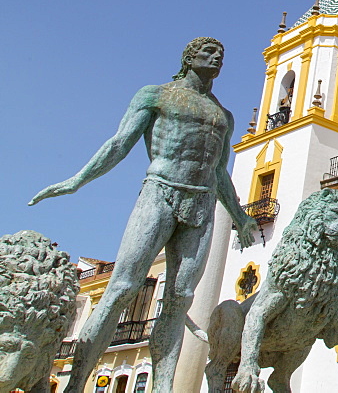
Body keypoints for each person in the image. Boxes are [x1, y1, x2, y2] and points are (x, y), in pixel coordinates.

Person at [30, 37, 258, 393]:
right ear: (189, 57)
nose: (217, 59)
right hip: (160, 191)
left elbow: (219, 171)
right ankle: (75, 384)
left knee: (180, 298)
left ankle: (163, 387)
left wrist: (241, 217)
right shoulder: (156, 95)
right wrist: (77, 180)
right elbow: (119, 143)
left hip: (201, 204)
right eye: (208, 53)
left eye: (221, 55)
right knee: (121, 287)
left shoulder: (223, 116)